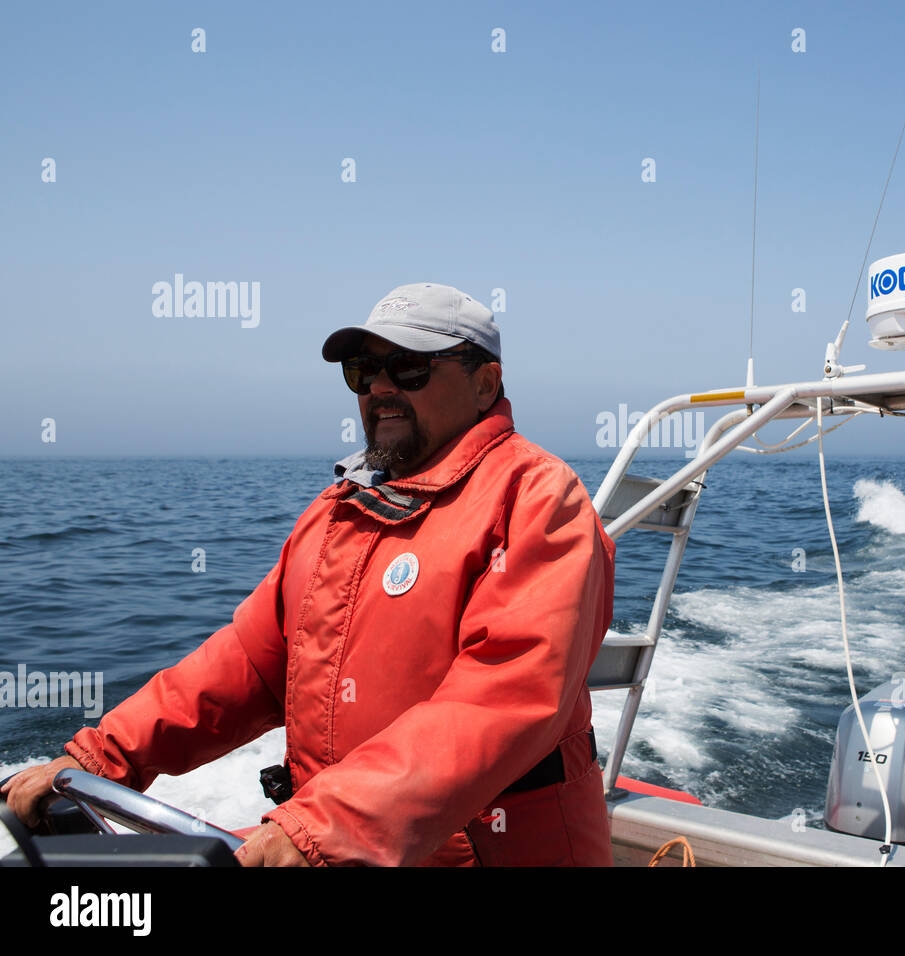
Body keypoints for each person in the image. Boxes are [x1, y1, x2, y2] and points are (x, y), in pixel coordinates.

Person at [2, 282, 617, 866]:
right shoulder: (339, 510)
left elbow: (506, 696)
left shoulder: (538, 499)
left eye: (410, 368)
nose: (380, 387)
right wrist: (103, 757)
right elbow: (250, 662)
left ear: (486, 384)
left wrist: (329, 823)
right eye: (362, 371)